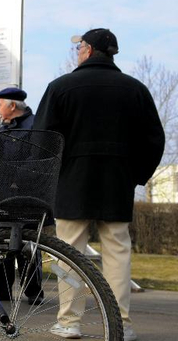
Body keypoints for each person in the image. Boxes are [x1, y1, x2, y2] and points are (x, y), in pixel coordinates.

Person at [35, 28, 164, 341]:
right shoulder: (135, 90)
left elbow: (42, 140)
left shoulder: (61, 87)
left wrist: (52, 177)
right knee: (117, 252)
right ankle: (120, 323)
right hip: (116, 183)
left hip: (71, 182)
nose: (77, 51)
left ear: (89, 50)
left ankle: (69, 321)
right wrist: (136, 175)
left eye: (79, 46)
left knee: (69, 253)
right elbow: (154, 139)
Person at [0, 87, 49, 305]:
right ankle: (2, 290)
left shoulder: (34, 126)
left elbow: (37, 159)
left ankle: (33, 291)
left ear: (12, 106)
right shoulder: (1, 128)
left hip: (27, 194)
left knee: (28, 245)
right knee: (1, 242)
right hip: (3, 194)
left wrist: (17, 179)